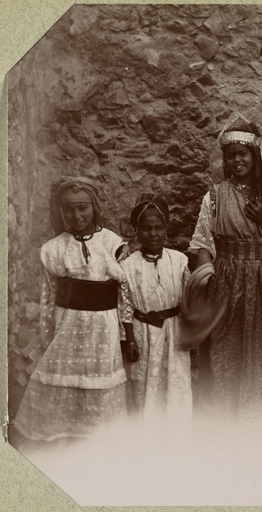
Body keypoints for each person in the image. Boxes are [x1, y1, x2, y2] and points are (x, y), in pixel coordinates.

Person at [189, 113, 262, 420]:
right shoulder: (214, 196)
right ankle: (225, 415)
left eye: (242, 154)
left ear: (254, 156)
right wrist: (206, 280)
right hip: (227, 279)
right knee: (227, 345)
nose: (237, 161)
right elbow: (203, 243)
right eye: (230, 156)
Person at [14, 177, 131, 445]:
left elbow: (124, 294)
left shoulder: (112, 243)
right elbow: (48, 298)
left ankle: (94, 440)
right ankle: (58, 437)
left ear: (94, 207)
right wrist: (47, 336)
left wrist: (126, 334)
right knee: (61, 380)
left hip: (103, 329)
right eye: (69, 209)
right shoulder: (54, 250)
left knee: (97, 384)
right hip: (67, 329)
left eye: (83, 208)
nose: (76, 215)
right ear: (60, 211)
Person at [120, 195, 193, 424]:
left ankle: (175, 434)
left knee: (175, 381)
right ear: (137, 232)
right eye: (147, 229)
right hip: (143, 333)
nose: (153, 234)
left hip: (174, 331)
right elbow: (125, 306)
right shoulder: (128, 266)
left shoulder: (179, 261)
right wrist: (130, 340)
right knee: (145, 383)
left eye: (158, 228)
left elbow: (189, 299)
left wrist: (192, 331)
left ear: (166, 230)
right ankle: (146, 436)